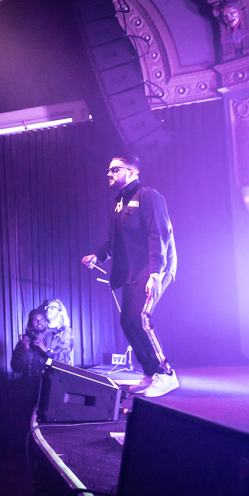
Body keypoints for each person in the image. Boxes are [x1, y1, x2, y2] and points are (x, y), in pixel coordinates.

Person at [82, 155, 178, 397]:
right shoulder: (118, 202)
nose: (109, 173)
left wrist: (156, 273)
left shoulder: (148, 196)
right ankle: (150, 372)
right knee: (127, 321)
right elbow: (114, 241)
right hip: (132, 272)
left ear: (132, 171)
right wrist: (98, 256)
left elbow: (160, 235)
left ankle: (166, 373)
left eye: (115, 169)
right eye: (109, 169)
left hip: (155, 268)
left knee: (141, 319)